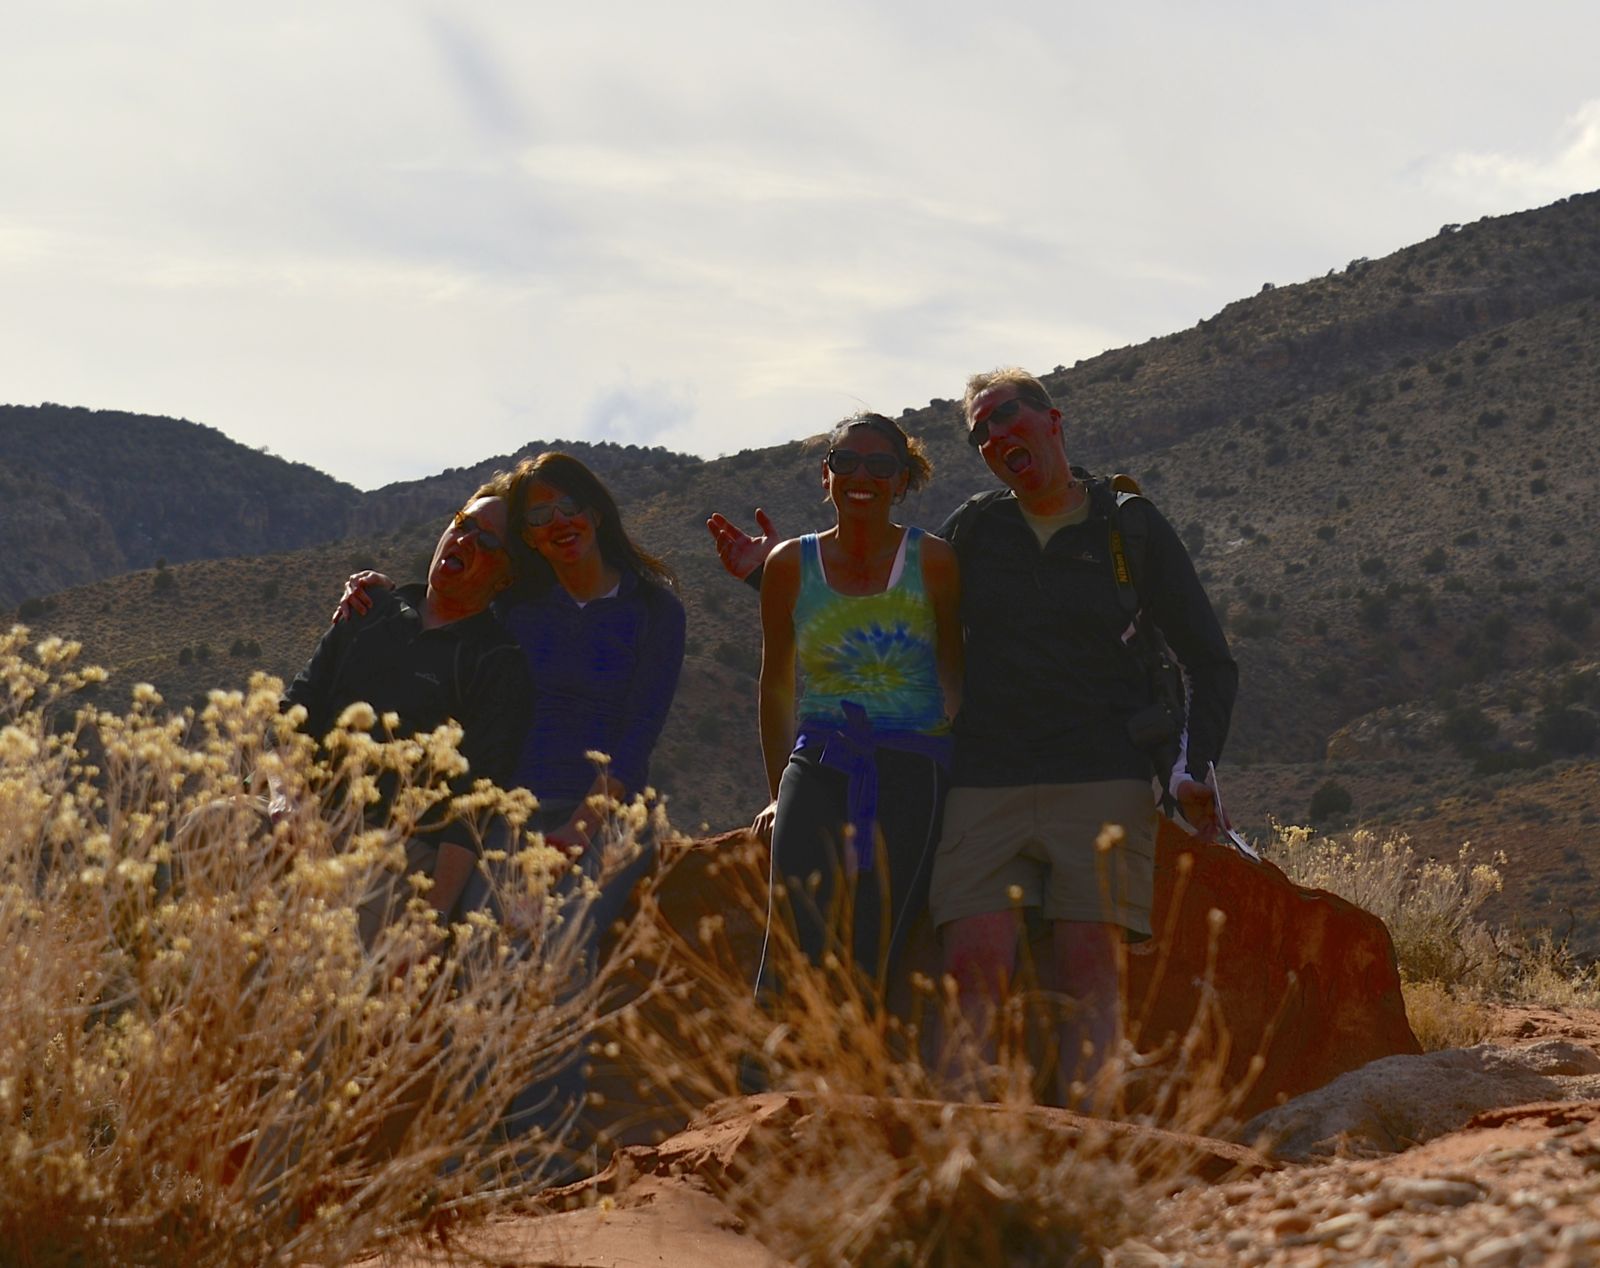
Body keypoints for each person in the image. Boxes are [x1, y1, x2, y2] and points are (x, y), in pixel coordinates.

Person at [707, 368, 1236, 1099]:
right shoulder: (977, 532)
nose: (993, 435)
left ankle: (1088, 1163)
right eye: (979, 431)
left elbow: (1208, 658)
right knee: (970, 968)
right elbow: (879, 600)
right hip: (985, 778)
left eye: (1006, 416)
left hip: (1100, 774)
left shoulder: (1129, 528)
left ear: (1053, 419)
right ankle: (956, 1153)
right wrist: (765, 577)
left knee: (1087, 968)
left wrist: (1192, 769)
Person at [338, 452, 684, 1159]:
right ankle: (468, 1150)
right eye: (536, 520)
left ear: (595, 512)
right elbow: (439, 605)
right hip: (507, 813)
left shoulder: (654, 609)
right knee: (475, 948)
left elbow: (637, 737)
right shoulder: (518, 608)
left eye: (567, 509)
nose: (556, 525)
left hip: (607, 813)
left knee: (552, 940)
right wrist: (370, 590)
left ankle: (540, 1158)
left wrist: (574, 833)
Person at [754, 413, 961, 988]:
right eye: (845, 461)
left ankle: (857, 1064)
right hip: (820, 759)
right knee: (796, 922)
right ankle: (764, 1071)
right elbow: (776, 684)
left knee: (881, 931)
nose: (860, 475)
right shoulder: (789, 566)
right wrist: (778, 795)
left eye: (880, 465)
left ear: (902, 481)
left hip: (915, 766)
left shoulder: (935, 561)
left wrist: (953, 757)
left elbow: (953, 670)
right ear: (826, 475)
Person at [285, 493, 532, 945]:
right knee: (210, 827)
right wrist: (285, 794)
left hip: (394, 849)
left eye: (488, 542)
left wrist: (433, 919)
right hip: (304, 812)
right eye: (462, 523)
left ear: (506, 576)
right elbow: (295, 708)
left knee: (331, 939)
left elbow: (473, 804)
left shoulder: (496, 663)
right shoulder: (368, 610)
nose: (465, 539)